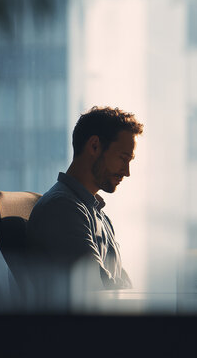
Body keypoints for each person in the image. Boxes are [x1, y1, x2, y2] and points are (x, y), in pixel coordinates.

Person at [27, 106, 143, 290]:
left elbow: (123, 283)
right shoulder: (62, 209)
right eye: (123, 158)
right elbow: (99, 287)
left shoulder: (98, 215)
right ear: (94, 146)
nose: (127, 172)